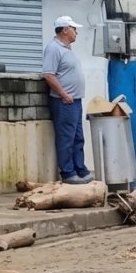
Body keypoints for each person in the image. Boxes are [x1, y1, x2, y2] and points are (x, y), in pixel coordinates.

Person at [42, 15, 93, 186]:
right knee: (66, 137)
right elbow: (49, 74)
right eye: (74, 29)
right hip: (64, 102)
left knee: (78, 137)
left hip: (75, 101)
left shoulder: (66, 49)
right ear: (65, 30)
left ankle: (80, 169)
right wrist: (64, 94)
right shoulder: (53, 49)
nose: (76, 32)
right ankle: (68, 172)